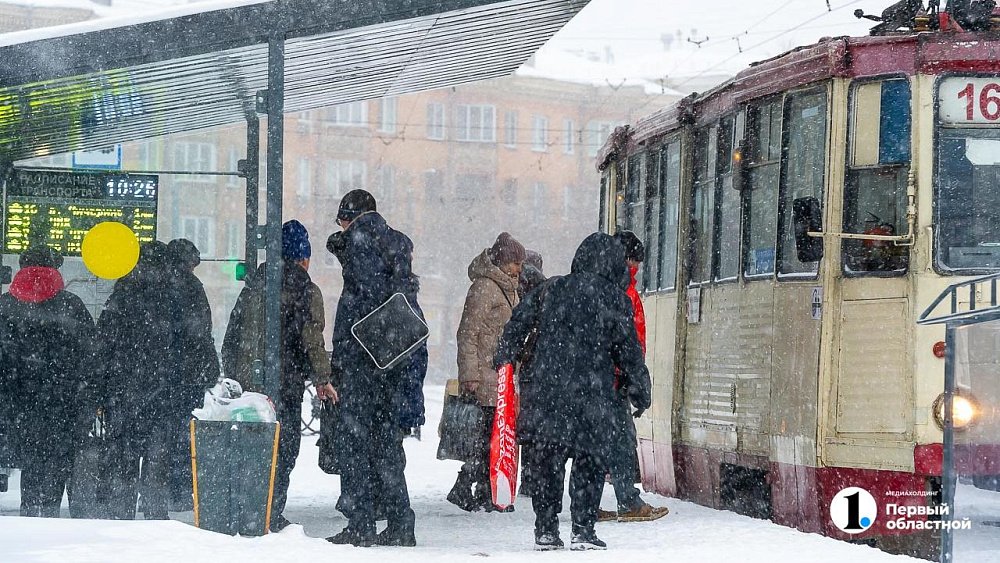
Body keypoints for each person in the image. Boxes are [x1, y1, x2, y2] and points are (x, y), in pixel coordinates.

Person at [494, 233, 651, 551]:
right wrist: (639, 388)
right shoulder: (613, 298)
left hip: (547, 393)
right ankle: (583, 529)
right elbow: (628, 350)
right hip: (592, 396)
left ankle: (547, 530)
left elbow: (516, 325)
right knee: (590, 463)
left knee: (546, 464)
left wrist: (505, 358)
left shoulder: (549, 288)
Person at [221, 220, 335, 532]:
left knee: (250, 450)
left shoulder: (254, 287)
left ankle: (247, 509)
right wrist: (322, 378)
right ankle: (271, 510)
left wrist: (233, 377)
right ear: (303, 257)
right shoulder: (307, 292)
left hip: (249, 388)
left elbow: (231, 338)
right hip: (286, 386)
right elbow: (312, 340)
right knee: (283, 451)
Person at [325, 189, 420, 547]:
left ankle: (361, 522)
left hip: (362, 362)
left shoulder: (359, 243)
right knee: (387, 448)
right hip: (392, 360)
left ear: (351, 217)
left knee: (355, 446)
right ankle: (400, 524)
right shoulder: (397, 245)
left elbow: (359, 305)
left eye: (342, 221)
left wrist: (341, 363)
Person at [0, 245, 95, 517]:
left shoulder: (6, 306)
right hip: (63, 402)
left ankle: (29, 511)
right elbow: (90, 354)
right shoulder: (71, 305)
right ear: (56, 268)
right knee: (57, 459)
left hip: (18, 403)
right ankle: (50, 513)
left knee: (30, 459)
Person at [97, 241, 177, 520]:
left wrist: (101, 388)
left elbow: (103, 346)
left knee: (123, 455)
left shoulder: (121, 295)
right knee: (158, 456)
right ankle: (155, 514)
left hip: (123, 390)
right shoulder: (172, 297)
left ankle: (122, 512)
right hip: (162, 389)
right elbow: (190, 343)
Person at [449, 232, 525, 513]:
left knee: (494, 438)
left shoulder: (507, 287)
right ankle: (471, 489)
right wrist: (469, 374)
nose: (519, 268)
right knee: (486, 439)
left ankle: (486, 493)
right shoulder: (484, 288)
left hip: (499, 375)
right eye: (516, 262)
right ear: (504, 261)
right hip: (484, 374)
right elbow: (467, 333)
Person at [596, 230, 668, 523]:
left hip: (612, 377)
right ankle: (628, 501)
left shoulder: (614, 286)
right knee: (621, 441)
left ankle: (591, 504)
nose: (635, 268)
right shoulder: (621, 291)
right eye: (633, 262)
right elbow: (626, 339)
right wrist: (631, 374)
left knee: (603, 443)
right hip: (615, 378)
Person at [164, 239, 220, 511]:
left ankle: (160, 488)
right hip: (187, 374)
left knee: (163, 433)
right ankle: (182, 490)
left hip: (161, 374)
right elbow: (200, 332)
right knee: (184, 434)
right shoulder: (191, 287)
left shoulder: (156, 286)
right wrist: (208, 366)